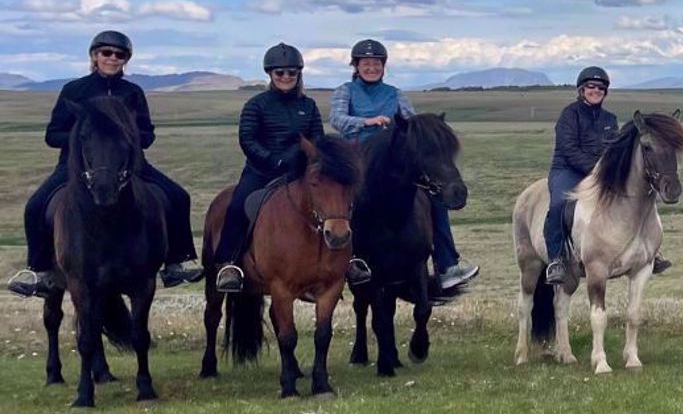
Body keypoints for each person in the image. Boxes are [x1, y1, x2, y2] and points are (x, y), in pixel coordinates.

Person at [7, 29, 203, 298]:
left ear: (126, 60)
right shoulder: (74, 90)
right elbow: (53, 134)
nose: (112, 58)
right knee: (35, 205)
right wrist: (83, 138)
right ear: (94, 56)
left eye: (119, 54)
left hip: (130, 166)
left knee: (179, 197)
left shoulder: (132, 93)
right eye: (106, 53)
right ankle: (38, 271)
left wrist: (127, 138)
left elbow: (146, 134)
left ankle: (175, 262)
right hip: (77, 166)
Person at [328, 38, 477, 292]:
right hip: (361, 159)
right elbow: (337, 119)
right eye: (366, 63)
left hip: (395, 161)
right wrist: (367, 122)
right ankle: (349, 262)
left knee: (433, 198)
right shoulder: (345, 91)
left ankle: (447, 264)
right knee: (345, 203)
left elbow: (411, 122)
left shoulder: (395, 94)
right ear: (356, 66)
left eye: (376, 63)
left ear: (383, 66)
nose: (371, 68)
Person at [213, 44, 363, 293]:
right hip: (261, 171)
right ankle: (229, 264)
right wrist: (273, 160)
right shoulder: (256, 105)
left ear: (298, 74)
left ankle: (351, 260)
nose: (285, 77)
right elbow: (248, 140)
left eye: (291, 73)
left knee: (338, 203)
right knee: (238, 204)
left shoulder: (309, 105)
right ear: (270, 74)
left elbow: (318, 140)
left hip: (300, 172)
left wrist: (313, 162)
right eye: (280, 73)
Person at [542, 67, 618, 286]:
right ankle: (556, 259)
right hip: (567, 170)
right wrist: (597, 170)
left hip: (599, 171)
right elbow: (569, 149)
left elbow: (613, 150)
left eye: (600, 87)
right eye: (591, 87)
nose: (596, 91)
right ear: (582, 90)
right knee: (559, 204)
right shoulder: (569, 114)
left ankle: (647, 249)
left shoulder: (610, 119)